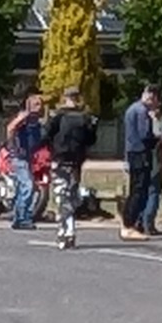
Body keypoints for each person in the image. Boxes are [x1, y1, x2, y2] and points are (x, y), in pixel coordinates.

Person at [46, 86, 98, 251]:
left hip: (61, 161)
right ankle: (68, 231)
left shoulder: (58, 116)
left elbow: (46, 136)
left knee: (63, 197)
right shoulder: (85, 117)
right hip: (75, 162)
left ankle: (66, 232)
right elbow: (91, 140)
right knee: (70, 195)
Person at [120, 83, 162, 241]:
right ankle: (129, 225)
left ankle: (128, 223)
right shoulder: (142, 111)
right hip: (140, 154)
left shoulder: (132, 109)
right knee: (139, 191)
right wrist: (158, 138)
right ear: (152, 97)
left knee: (135, 190)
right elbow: (145, 135)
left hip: (133, 153)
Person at [4, 94, 46, 227]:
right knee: (28, 186)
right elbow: (10, 129)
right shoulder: (24, 120)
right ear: (29, 105)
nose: (40, 107)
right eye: (36, 104)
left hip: (28, 159)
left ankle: (19, 218)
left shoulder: (38, 124)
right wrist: (22, 116)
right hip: (19, 158)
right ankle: (23, 218)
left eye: (41, 104)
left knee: (22, 187)